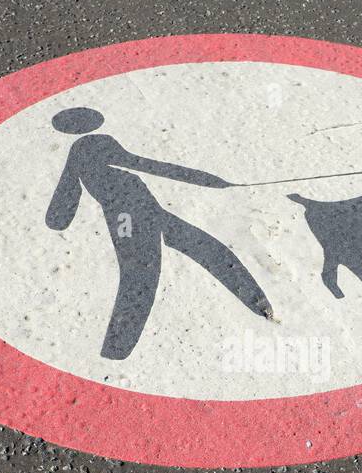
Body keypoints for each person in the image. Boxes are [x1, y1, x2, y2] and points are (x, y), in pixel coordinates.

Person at [45, 107, 271, 360]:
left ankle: (258, 303)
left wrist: (58, 220)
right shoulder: (94, 144)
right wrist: (203, 179)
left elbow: (66, 194)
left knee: (207, 249)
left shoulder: (79, 152)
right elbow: (144, 165)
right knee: (141, 275)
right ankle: (116, 349)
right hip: (126, 215)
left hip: (146, 209)